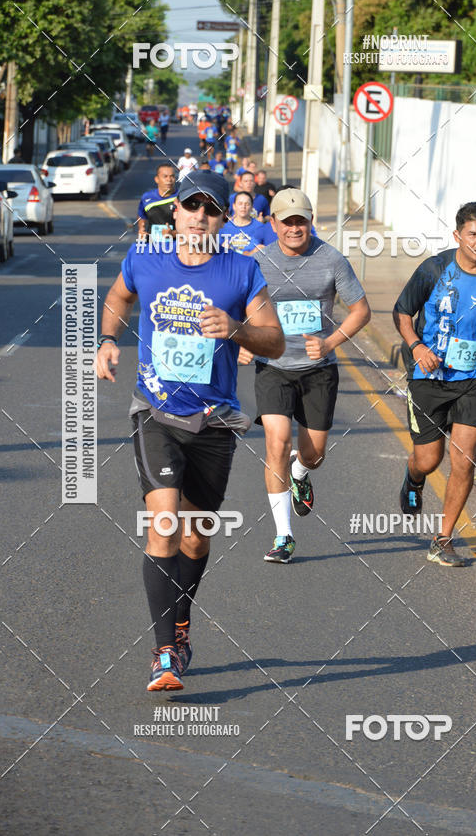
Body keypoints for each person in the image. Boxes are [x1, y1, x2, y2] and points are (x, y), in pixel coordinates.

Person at [95, 171, 285, 691]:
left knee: (196, 537)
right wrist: (108, 338)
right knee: (163, 523)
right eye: (191, 206)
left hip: (215, 421)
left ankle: (181, 627)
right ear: (173, 213)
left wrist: (238, 328)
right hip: (155, 413)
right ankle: (162, 654)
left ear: (222, 220)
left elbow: (275, 340)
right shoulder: (145, 260)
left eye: (211, 209)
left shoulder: (243, 271)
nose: (199, 216)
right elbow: (117, 297)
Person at [393, 201, 476, 567]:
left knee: (465, 461)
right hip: (429, 377)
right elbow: (402, 311)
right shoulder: (434, 269)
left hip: (475, 378)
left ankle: (443, 538)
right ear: (458, 235)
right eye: (473, 234)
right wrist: (417, 346)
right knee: (429, 458)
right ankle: (414, 476)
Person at [238, 188, 371, 563]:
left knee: (313, 455)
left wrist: (329, 343)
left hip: (318, 370)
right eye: (287, 221)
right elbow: (237, 307)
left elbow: (361, 310)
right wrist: (244, 339)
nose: (295, 228)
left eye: (301, 221)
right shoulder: (257, 262)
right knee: (276, 442)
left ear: (311, 222)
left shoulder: (331, 259)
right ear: (273, 223)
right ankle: (284, 536)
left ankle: (301, 473)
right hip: (275, 367)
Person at [220, 192, 276, 256]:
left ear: (252, 207)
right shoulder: (223, 227)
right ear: (234, 206)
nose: (243, 207)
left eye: (247, 204)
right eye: (240, 203)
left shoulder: (260, 227)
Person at [137, 164, 177, 239]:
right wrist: (141, 229)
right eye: (165, 176)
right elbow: (141, 215)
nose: (169, 180)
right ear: (157, 179)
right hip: (152, 244)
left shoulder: (181, 198)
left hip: (175, 246)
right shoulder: (147, 197)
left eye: (172, 176)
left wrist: (172, 234)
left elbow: (190, 229)